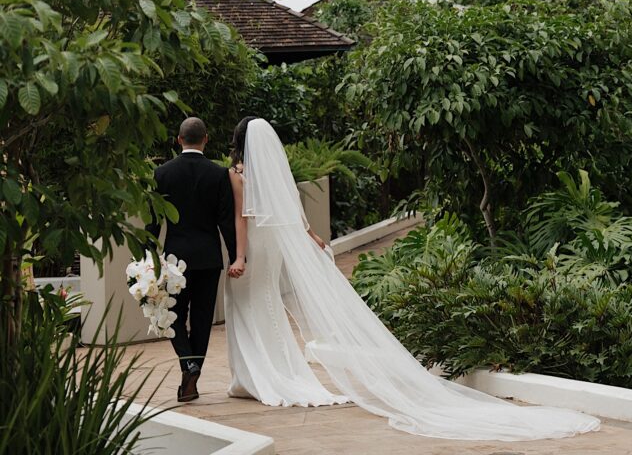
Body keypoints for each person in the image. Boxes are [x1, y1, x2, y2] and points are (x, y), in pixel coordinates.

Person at [222, 116, 601, 442]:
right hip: (275, 246)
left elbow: (242, 218)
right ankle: (278, 373)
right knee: (268, 303)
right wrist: (316, 238)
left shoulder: (237, 175)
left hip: (255, 244)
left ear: (239, 143)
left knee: (252, 305)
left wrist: (239, 256)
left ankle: (258, 377)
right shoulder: (274, 173)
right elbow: (294, 215)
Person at [148, 116, 236, 404]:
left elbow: (153, 220)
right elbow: (226, 221)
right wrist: (236, 256)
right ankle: (192, 371)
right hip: (209, 259)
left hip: (174, 261)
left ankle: (188, 363)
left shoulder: (162, 173)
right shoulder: (218, 174)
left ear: (178, 139)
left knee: (170, 315)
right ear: (206, 139)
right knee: (201, 319)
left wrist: (148, 259)